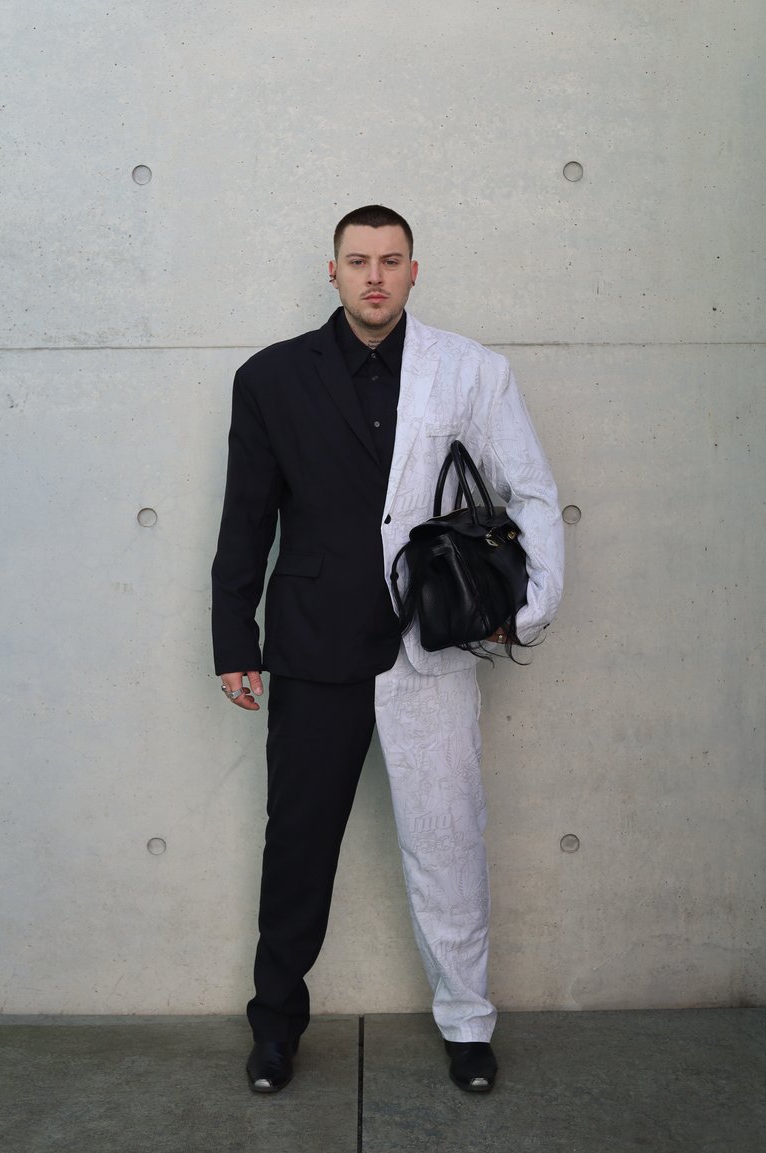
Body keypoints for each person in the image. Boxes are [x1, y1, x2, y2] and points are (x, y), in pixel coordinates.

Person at [211, 205, 564, 1094]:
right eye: (359, 260)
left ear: (414, 270)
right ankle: (275, 1029)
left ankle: (468, 1025)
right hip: (311, 645)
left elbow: (529, 488)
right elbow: (246, 518)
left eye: (391, 260)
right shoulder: (270, 377)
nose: (375, 275)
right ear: (332, 270)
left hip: (433, 643)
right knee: (297, 847)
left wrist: (526, 610)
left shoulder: (470, 369)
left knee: (449, 843)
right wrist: (233, 639)